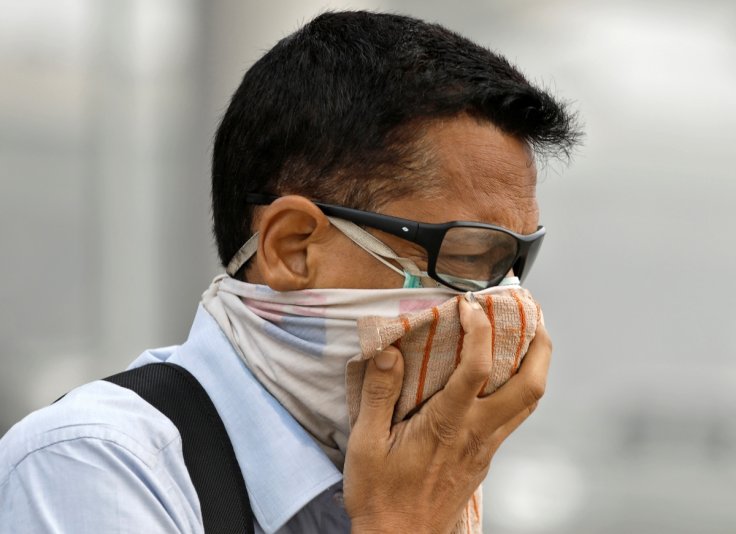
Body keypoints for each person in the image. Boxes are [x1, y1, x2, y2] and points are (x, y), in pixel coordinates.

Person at [0, 10, 579, 534]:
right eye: (464, 257)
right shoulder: (97, 464)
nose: (502, 305)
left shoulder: (427, 479)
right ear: (293, 248)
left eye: (512, 266)